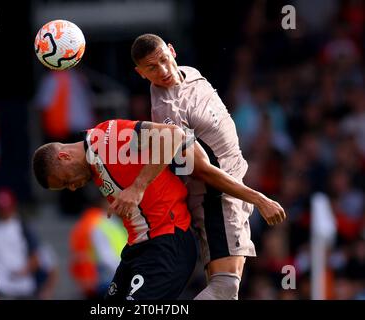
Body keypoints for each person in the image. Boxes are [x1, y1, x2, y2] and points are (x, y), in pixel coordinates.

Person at [109, 34, 286, 300]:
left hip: (232, 187)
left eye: (164, 60)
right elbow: (200, 170)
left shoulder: (190, 73)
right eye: (152, 69)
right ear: (140, 73)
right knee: (225, 289)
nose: (164, 71)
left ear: (172, 51)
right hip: (216, 198)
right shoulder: (168, 111)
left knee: (227, 289)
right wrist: (259, 198)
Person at [32, 119, 198, 300]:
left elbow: (173, 134)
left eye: (66, 180)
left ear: (64, 156)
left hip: (167, 241)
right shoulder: (94, 162)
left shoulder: (106, 139)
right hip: (139, 249)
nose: (72, 187)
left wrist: (138, 187)